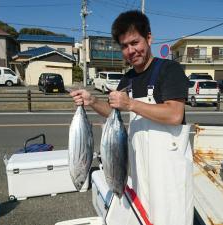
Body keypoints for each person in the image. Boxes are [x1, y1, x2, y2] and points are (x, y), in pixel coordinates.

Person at [71, 10, 193, 225]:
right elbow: (114, 118)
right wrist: (92, 102)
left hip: (168, 173)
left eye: (134, 42)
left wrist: (131, 104)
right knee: (143, 218)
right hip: (138, 170)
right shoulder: (127, 78)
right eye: (124, 46)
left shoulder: (169, 69)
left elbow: (175, 114)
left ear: (149, 38)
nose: (130, 50)